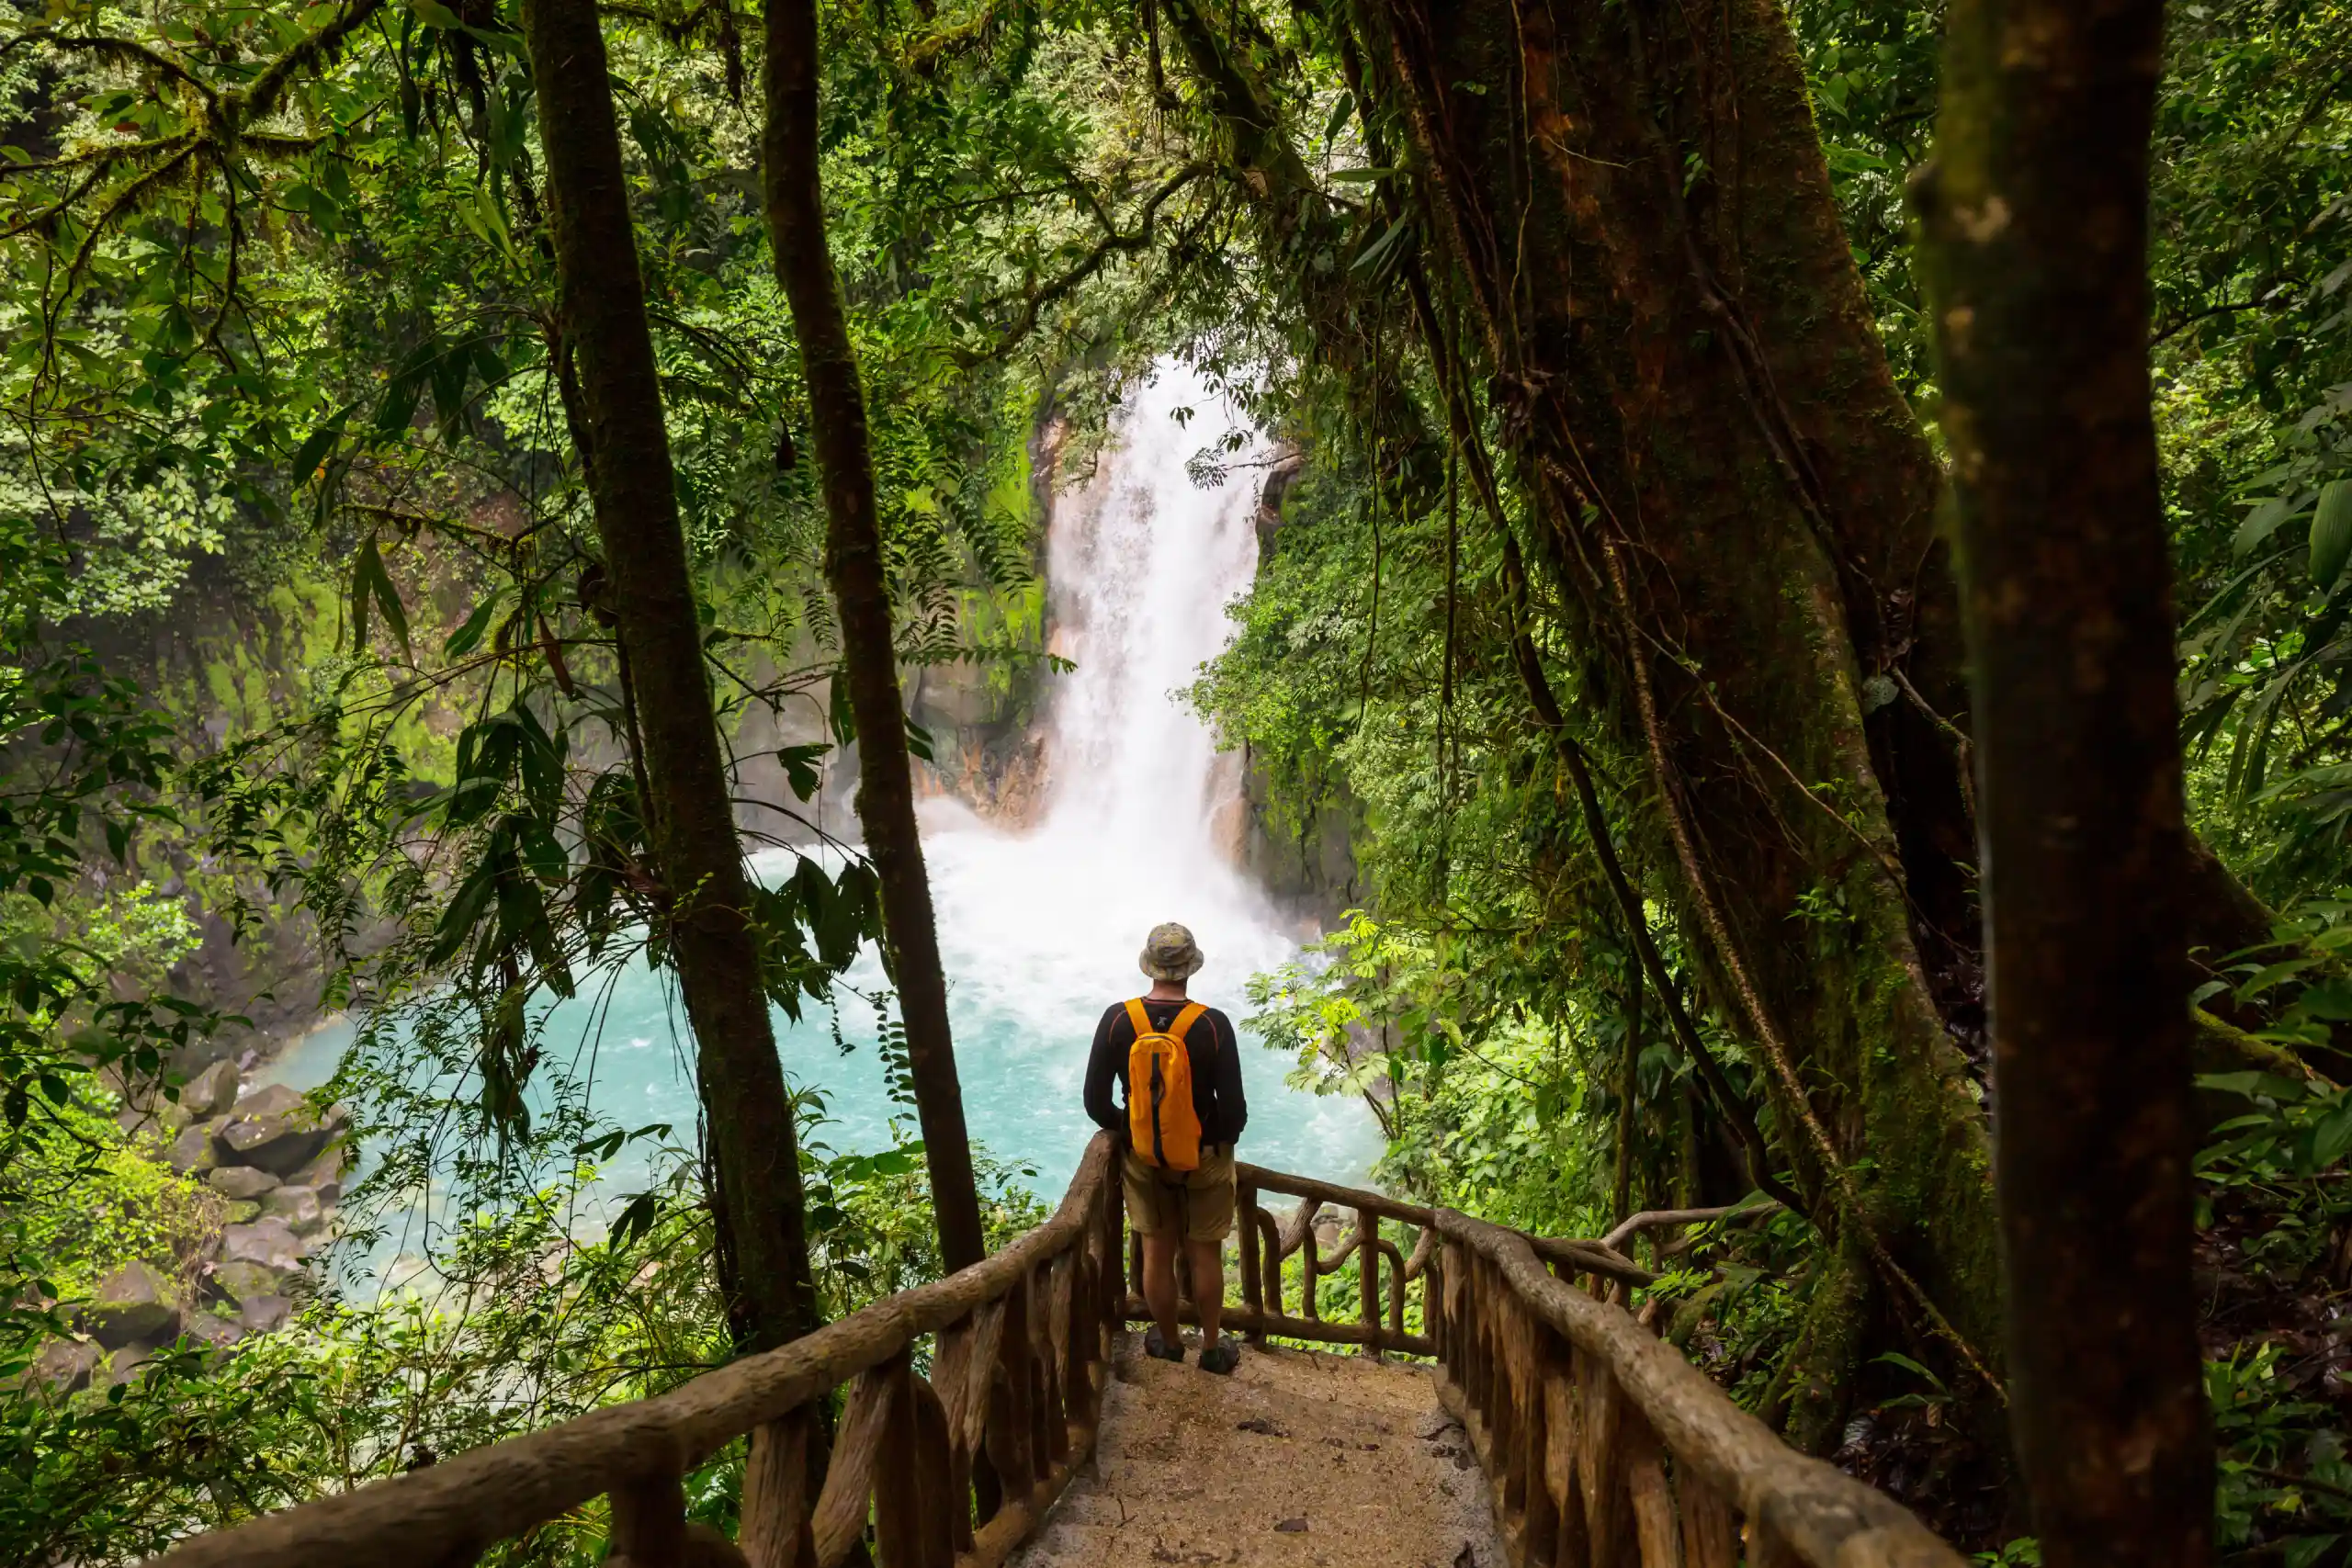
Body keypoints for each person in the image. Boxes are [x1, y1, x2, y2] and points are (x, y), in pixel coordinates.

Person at [1083, 921, 1249, 1374]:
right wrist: (1215, 1143)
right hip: (1204, 1156)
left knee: (1155, 1251)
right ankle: (1213, 1348)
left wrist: (1134, 1131)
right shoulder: (1212, 1025)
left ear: (1150, 966)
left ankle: (1170, 1342)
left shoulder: (1119, 1019)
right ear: (1190, 968)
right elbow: (1234, 1109)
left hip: (1142, 1157)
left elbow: (1095, 1101)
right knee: (1204, 1252)